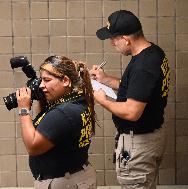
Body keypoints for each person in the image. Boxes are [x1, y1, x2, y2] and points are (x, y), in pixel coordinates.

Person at [90, 10, 170, 189]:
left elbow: (132, 112)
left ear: (126, 39)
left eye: (113, 39)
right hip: (150, 137)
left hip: (140, 144)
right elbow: (138, 89)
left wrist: (103, 100)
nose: (111, 43)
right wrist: (105, 80)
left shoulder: (143, 66)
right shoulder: (153, 52)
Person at [16, 55, 96, 189]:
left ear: (65, 81)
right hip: (76, 175)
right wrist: (43, 98)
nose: (41, 85)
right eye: (41, 80)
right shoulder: (77, 101)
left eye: (47, 80)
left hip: (64, 182)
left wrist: (24, 110)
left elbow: (33, 146)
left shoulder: (63, 112)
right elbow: (47, 122)